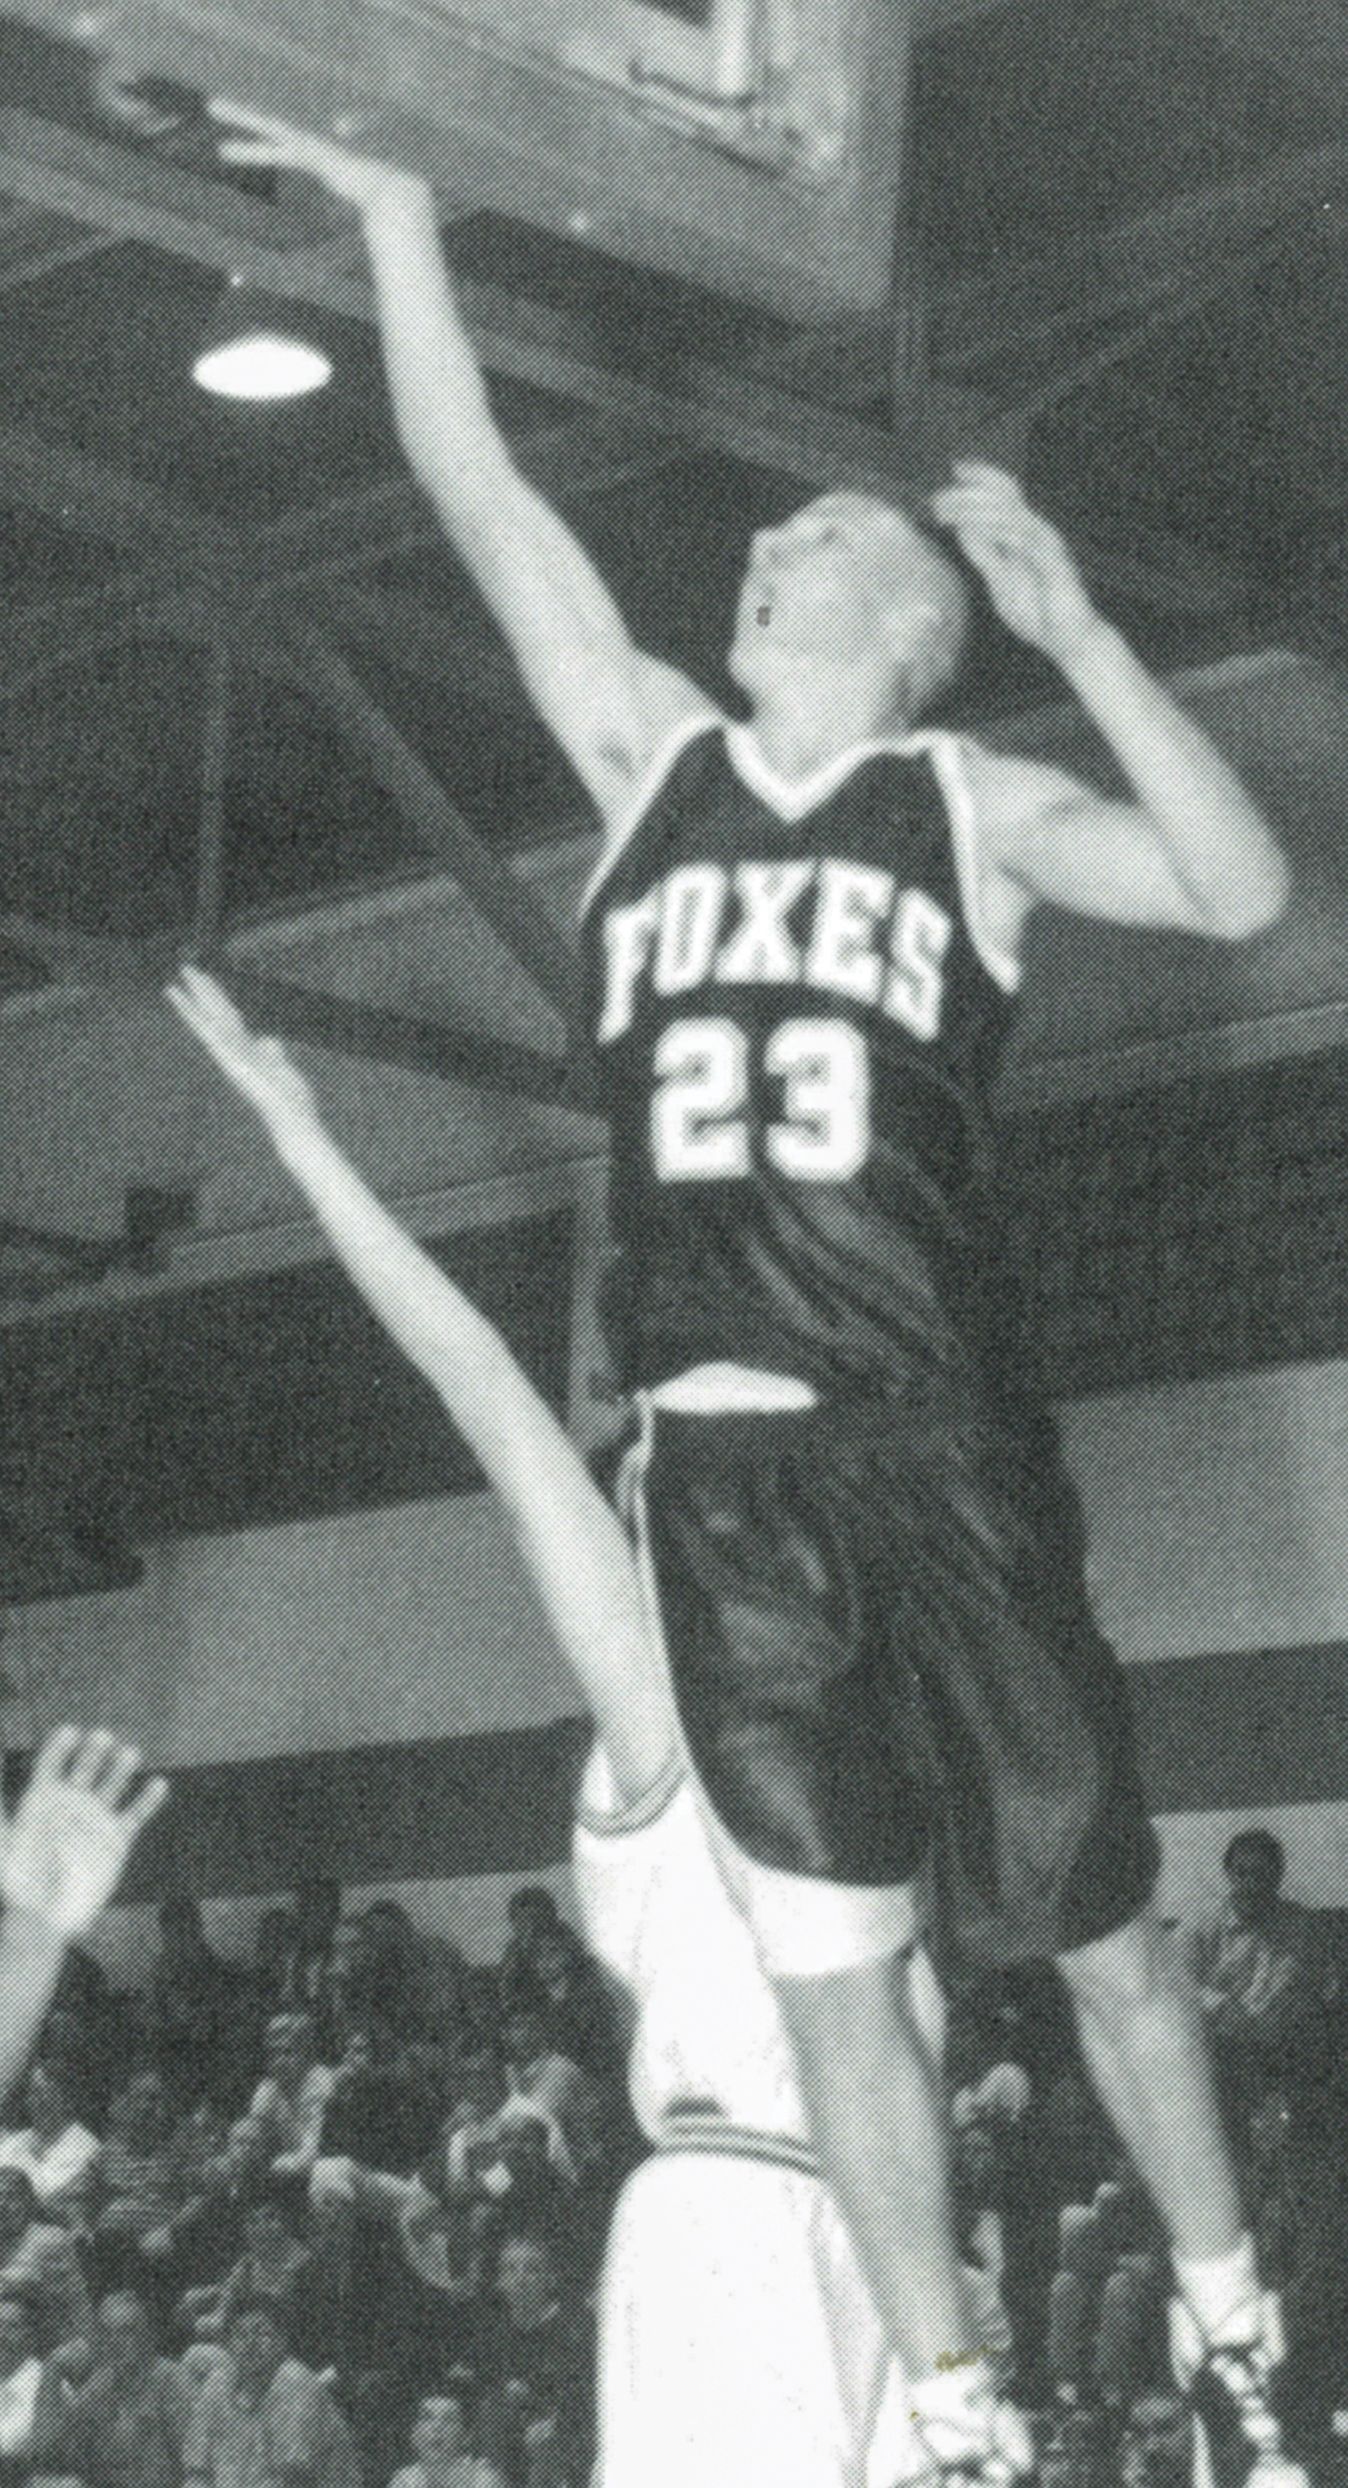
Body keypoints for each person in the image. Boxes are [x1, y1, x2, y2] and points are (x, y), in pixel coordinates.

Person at [205, 103, 1296, 2488]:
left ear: (892, 624)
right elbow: (483, 495)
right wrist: (401, 219)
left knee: (1103, 1929)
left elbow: (1231, 890)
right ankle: (955, 2403)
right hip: (716, 1463)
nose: (762, 544)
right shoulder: (642, 766)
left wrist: (1084, 635)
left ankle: (1229, 2334)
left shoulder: (963, 807)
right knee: (831, 1991)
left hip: (929, 1422)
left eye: (801, 535)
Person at [168, 965, 948, 2488]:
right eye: (681, 1463)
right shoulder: (668, 1707)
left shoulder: (878, 1720)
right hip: (736, 2226)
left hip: (885, 2235)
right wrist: (310, 1145)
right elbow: (488, 1397)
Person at [181, 2293, 360, 2488]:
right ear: (228, 2343)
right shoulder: (217, 2384)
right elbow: (196, 2473)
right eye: (240, 2334)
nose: (250, 2343)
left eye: (262, 2333)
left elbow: (295, 2480)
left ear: (282, 2341)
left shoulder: (294, 2383)